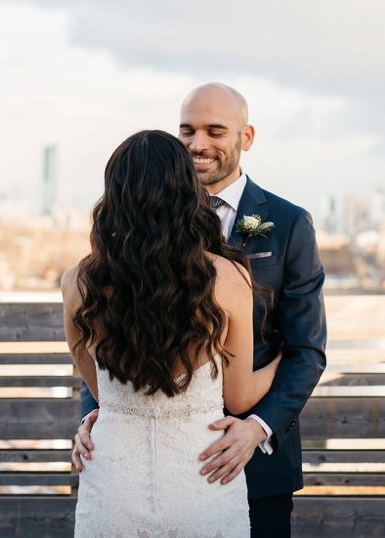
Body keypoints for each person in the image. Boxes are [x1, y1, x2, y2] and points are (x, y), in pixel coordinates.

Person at [73, 84, 328, 536]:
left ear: (246, 137)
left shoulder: (289, 225)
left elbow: (307, 348)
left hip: (259, 464)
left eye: (215, 131)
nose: (198, 144)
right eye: (187, 131)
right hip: (134, 462)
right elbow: (106, 351)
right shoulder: (125, 255)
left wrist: (258, 429)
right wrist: (98, 419)